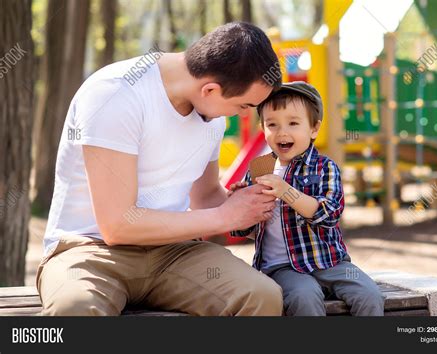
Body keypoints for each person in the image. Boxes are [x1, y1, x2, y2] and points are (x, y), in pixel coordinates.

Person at [37, 22, 285, 316]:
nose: (244, 115)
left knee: (262, 296)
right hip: (89, 251)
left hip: (174, 253)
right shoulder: (115, 94)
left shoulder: (212, 117)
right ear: (210, 89)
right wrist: (223, 216)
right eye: (244, 106)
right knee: (75, 310)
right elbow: (117, 226)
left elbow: (205, 197)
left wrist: (247, 206)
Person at [229, 82, 385, 316]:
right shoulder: (259, 169)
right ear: (263, 128)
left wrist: (286, 191)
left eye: (293, 123)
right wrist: (238, 203)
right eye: (272, 124)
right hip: (282, 267)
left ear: (313, 129)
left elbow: (329, 214)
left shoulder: (325, 167)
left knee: (370, 295)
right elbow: (244, 230)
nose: (282, 132)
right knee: (304, 297)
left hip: (331, 262)